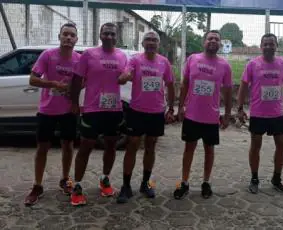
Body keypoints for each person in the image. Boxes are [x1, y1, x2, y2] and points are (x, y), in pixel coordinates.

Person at [69, 23, 128, 206]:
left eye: (112, 33)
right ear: (100, 35)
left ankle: (105, 179)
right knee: (86, 146)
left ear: (116, 37)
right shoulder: (88, 54)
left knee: (111, 146)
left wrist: (126, 77)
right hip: (92, 109)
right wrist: (74, 102)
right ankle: (77, 185)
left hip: (114, 110)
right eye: (106, 33)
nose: (109, 36)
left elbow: (126, 75)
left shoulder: (121, 56)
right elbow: (77, 79)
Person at [237, 33, 283, 195]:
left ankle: (277, 179)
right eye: (265, 44)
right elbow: (243, 86)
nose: (268, 47)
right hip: (258, 113)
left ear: (276, 46)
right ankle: (254, 179)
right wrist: (240, 107)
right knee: (255, 146)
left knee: (282, 144)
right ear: (261, 46)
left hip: (276, 114)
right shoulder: (252, 65)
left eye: (271, 44)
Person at [24, 23, 80, 206]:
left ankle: (65, 180)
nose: (68, 38)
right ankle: (37, 185)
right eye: (65, 34)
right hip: (47, 110)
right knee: (42, 148)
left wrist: (73, 93)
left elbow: (84, 81)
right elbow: (32, 79)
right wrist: (54, 84)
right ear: (59, 36)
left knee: (68, 145)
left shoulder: (79, 60)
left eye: (72, 35)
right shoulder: (47, 55)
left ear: (76, 40)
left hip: (68, 110)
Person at [116, 31, 175, 203]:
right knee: (132, 145)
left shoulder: (164, 62)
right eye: (148, 40)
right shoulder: (135, 59)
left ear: (158, 44)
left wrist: (171, 108)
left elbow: (171, 85)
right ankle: (126, 186)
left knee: (150, 146)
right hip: (137, 111)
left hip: (156, 112)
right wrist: (125, 76)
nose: (151, 42)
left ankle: (145, 183)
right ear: (142, 43)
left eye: (154, 40)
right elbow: (126, 73)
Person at [173, 30, 233, 200]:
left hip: (211, 117)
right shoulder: (193, 59)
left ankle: (206, 182)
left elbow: (228, 92)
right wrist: (180, 108)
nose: (213, 41)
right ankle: (184, 183)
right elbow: (184, 84)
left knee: (209, 150)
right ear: (204, 42)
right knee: (189, 149)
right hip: (191, 115)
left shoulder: (224, 66)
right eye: (210, 38)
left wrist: (227, 114)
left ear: (220, 44)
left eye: (216, 39)